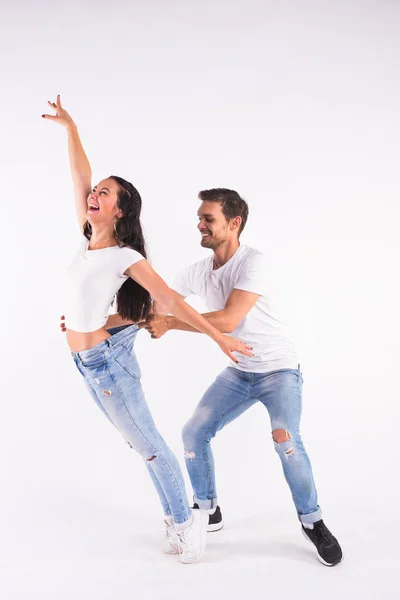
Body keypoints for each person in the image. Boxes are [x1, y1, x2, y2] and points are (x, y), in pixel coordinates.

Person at [43, 97, 252, 565]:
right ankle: (180, 515)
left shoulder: (124, 257)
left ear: (120, 212)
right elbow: (79, 175)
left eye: (105, 193)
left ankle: (186, 523)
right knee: (139, 444)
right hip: (86, 360)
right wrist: (71, 127)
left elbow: (172, 302)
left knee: (150, 446)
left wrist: (218, 336)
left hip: (106, 367)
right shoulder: (88, 235)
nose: (93, 194)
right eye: (95, 191)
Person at [138, 188, 344, 567]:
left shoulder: (254, 262)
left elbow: (230, 320)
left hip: (278, 369)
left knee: (286, 438)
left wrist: (170, 323)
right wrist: (102, 323)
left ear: (234, 224)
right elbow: (156, 301)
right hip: (239, 371)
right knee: (193, 433)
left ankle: (312, 520)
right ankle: (208, 509)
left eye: (208, 219)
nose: (199, 224)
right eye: (199, 217)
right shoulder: (198, 271)